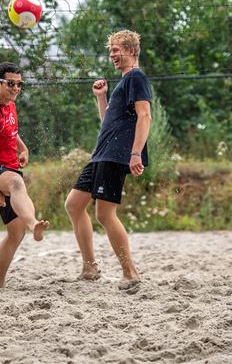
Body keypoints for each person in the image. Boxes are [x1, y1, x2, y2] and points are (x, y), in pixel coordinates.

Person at [64, 30, 151, 287]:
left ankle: (130, 272)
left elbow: (145, 116)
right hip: (102, 152)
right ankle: (90, 267)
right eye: (111, 50)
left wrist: (136, 153)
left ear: (131, 51)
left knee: (104, 213)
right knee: (74, 204)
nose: (112, 54)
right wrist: (101, 98)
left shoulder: (136, 77)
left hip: (116, 155)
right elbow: (108, 124)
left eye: (117, 49)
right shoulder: (122, 83)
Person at [0, 62, 50, 288]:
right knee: (16, 182)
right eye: (11, 84)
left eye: (19, 84)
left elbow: (10, 130)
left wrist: (22, 148)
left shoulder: (10, 104)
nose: (16, 88)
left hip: (8, 165)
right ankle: (34, 223)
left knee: (15, 234)